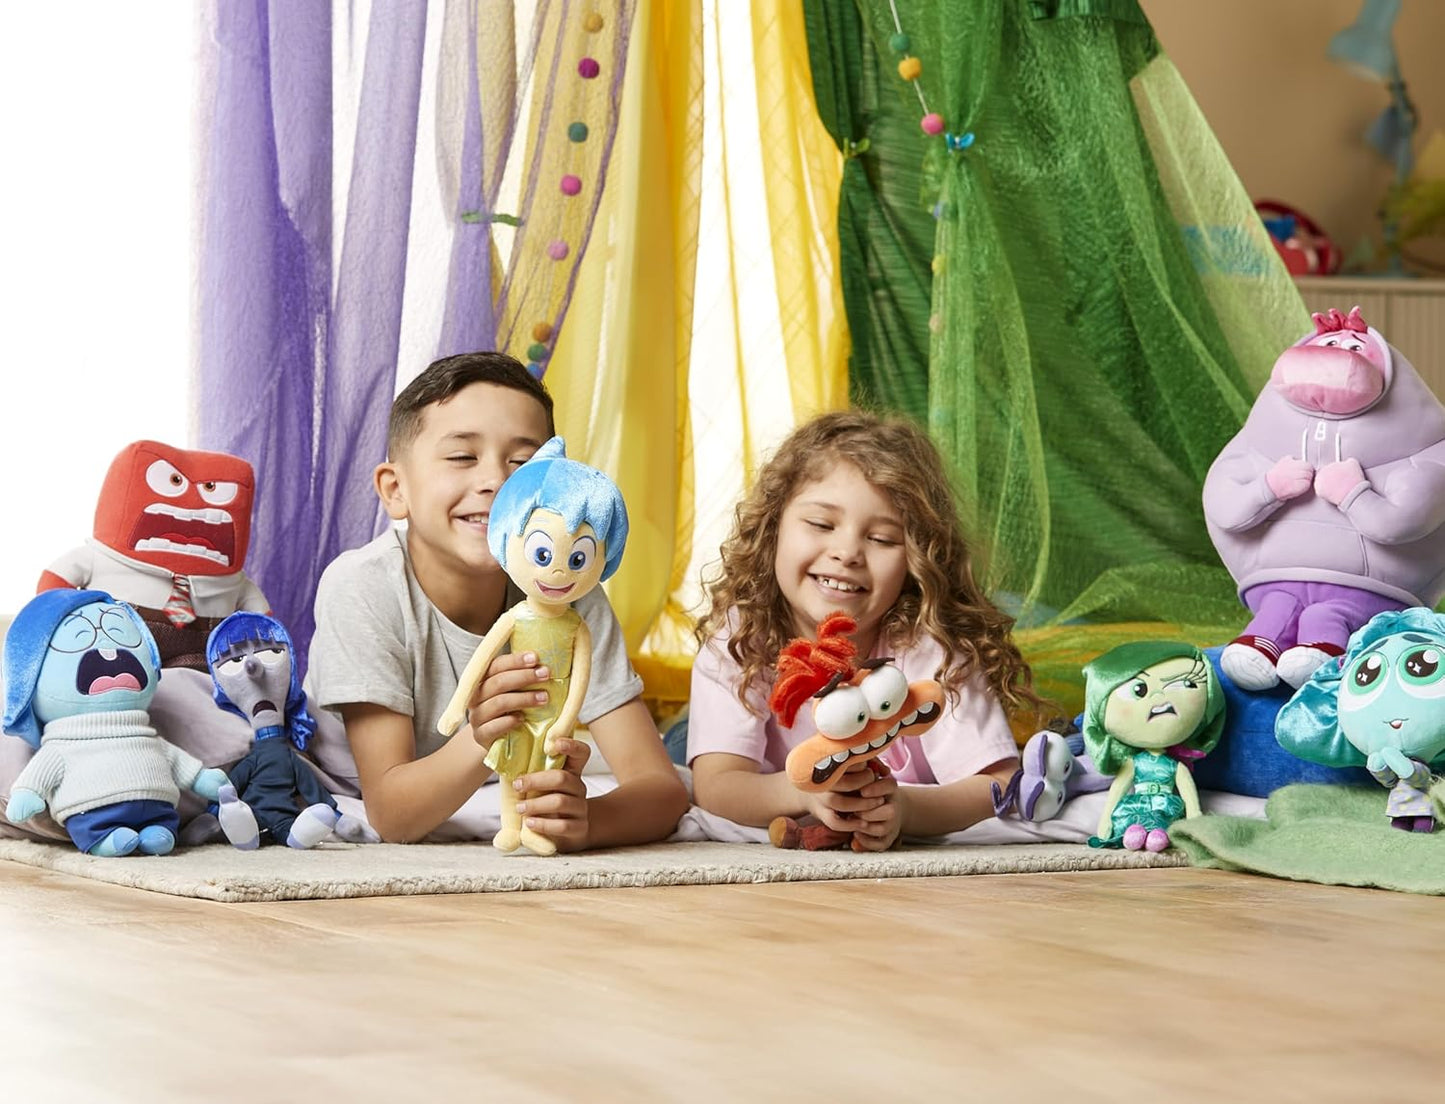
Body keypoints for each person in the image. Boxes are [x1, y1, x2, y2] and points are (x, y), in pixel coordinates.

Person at [305, 352, 688, 847]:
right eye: (463, 457)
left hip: (487, 782)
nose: (497, 482)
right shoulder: (362, 585)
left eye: (523, 464)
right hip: (364, 787)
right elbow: (391, 816)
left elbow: (661, 790)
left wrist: (588, 821)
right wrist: (482, 733)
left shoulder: (567, 589)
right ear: (396, 489)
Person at [687, 410, 1046, 849]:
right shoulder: (740, 640)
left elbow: (998, 782)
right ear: (772, 527)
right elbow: (716, 784)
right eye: (821, 524)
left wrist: (908, 810)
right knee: (675, 762)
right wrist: (804, 791)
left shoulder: (931, 646)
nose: (847, 553)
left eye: (882, 539)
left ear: (917, 559)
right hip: (744, 746)